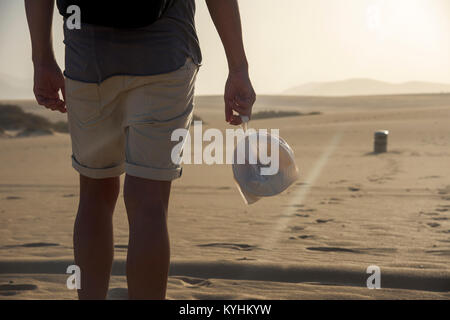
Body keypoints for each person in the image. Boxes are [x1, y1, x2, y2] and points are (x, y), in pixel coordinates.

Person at [24, 0, 256, 300]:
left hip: (88, 59)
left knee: (95, 196)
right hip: (166, 56)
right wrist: (238, 67)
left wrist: (41, 59)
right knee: (149, 202)